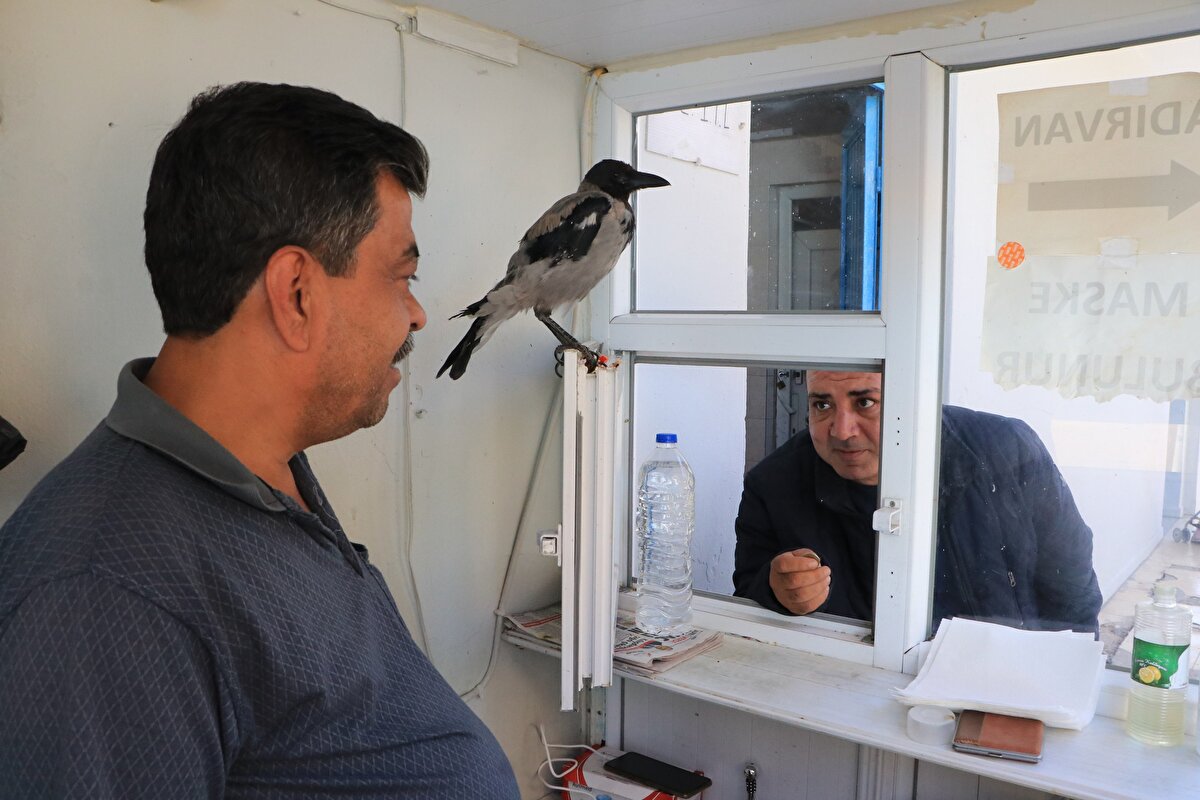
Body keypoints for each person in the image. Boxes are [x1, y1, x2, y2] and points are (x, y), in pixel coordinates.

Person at [0, 83, 519, 799]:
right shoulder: (105, 595)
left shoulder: (262, 469)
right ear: (297, 293)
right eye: (403, 276)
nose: (418, 314)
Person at [732, 370, 1102, 633]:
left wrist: (1059, 683)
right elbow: (745, 600)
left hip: (998, 681)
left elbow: (1070, 585)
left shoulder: (1004, 452)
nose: (842, 431)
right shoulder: (773, 485)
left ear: (914, 397)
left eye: (865, 402)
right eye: (822, 405)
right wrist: (777, 591)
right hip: (850, 688)